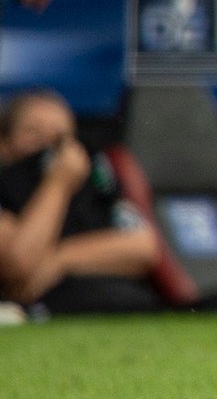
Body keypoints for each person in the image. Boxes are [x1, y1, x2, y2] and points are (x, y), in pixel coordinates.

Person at [0, 89, 161, 313]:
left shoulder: (96, 183)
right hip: (45, 308)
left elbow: (144, 248)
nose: (47, 144)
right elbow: (20, 266)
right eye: (33, 132)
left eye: (59, 136)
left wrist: (60, 260)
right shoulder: (8, 187)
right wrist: (58, 185)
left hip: (116, 298)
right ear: (4, 143)